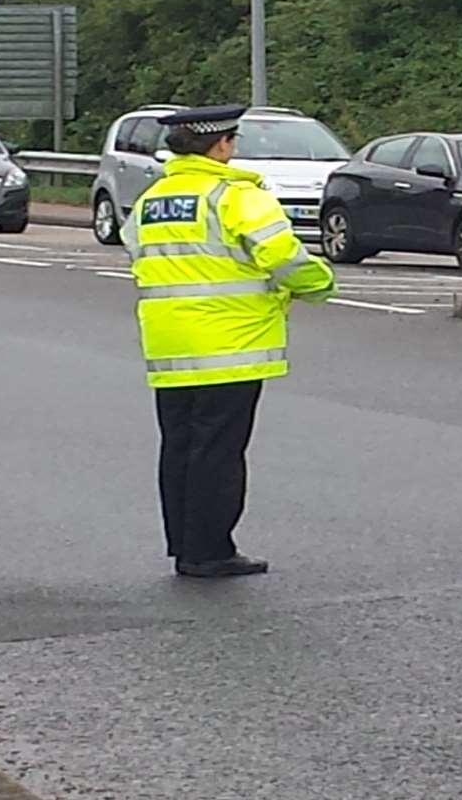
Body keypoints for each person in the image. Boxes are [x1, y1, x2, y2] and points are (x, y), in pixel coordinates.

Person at [124, 105, 335, 577]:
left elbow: (135, 250)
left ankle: (184, 545)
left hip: (168, 341)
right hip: (230, 342)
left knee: (179, 444)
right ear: (222, 145)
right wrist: (319, 284)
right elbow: (283, 254)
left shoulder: (152, 199)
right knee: (218, 449)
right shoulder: (235, 195)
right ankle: (211, 549)